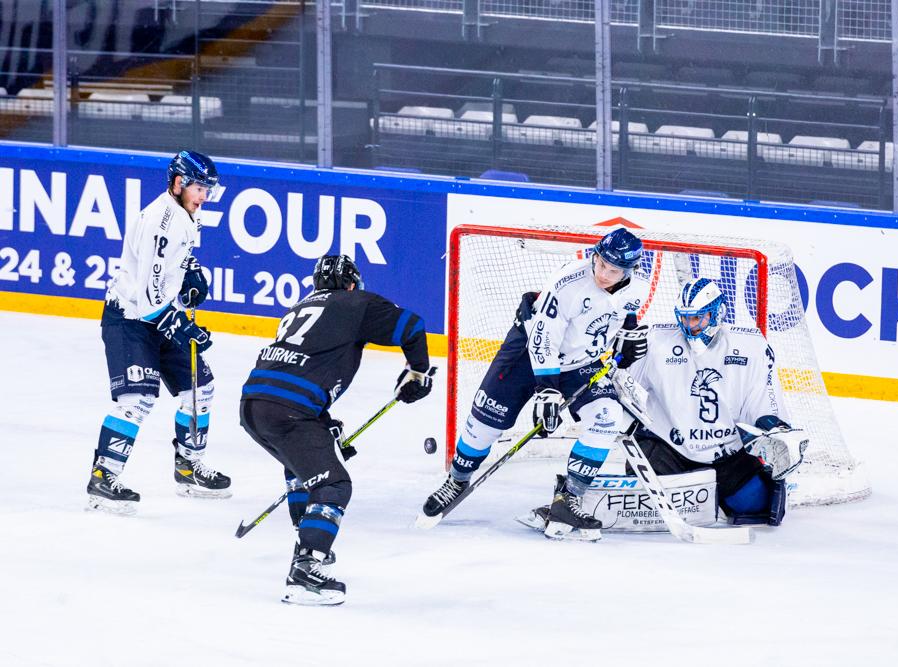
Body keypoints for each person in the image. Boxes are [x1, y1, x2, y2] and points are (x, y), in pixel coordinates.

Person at [420, 228, 649, 542]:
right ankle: (457, 480)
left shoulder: (639, 287)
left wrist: (628, 339)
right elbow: (543, 340)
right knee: (486, 422)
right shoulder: (568, 284)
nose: (603, 274)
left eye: (613, 270)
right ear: (595, 255)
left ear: (629, 271)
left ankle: (568, 498)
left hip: (581, 362)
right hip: (527, 354)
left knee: (607, 416)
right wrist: (548, 390)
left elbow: (626, 317)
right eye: (601, 263)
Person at [239, 254, 433, 606]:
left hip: (253, 405)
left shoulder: (299, 307)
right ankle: (305, 569)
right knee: (334, 485)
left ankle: (306, 537)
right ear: (351, 283)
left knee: (302, 468)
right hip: (289, 410)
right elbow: (413, 326)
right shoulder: (357, 302)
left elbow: (300, 369)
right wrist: (417, 373)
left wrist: (323, 424)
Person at [86, 150, 230, 515]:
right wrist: (181, 326)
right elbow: (148, 299)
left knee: (200, 389)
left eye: (208, 190)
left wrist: (191, 273)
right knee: (137, 401)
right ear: (179, 183)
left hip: (159, 316)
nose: (204, 197)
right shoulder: (160, 223)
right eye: (199, 188)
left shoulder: (187, 213)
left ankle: (189, 467)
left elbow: (172, 265)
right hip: (130, 320)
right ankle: (104, 476)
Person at [621, 278, 807, 526]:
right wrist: (621, 358)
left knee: (757, 506)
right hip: (670, 449)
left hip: (727, 454)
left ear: (717, 313)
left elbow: (763, 400)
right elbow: (622, 386)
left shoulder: (751, 346)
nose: (690, 326)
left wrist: (775, 429)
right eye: (685, 318)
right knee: (643, 505)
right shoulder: (656, 341)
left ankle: (719, 491)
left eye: (698, 318)